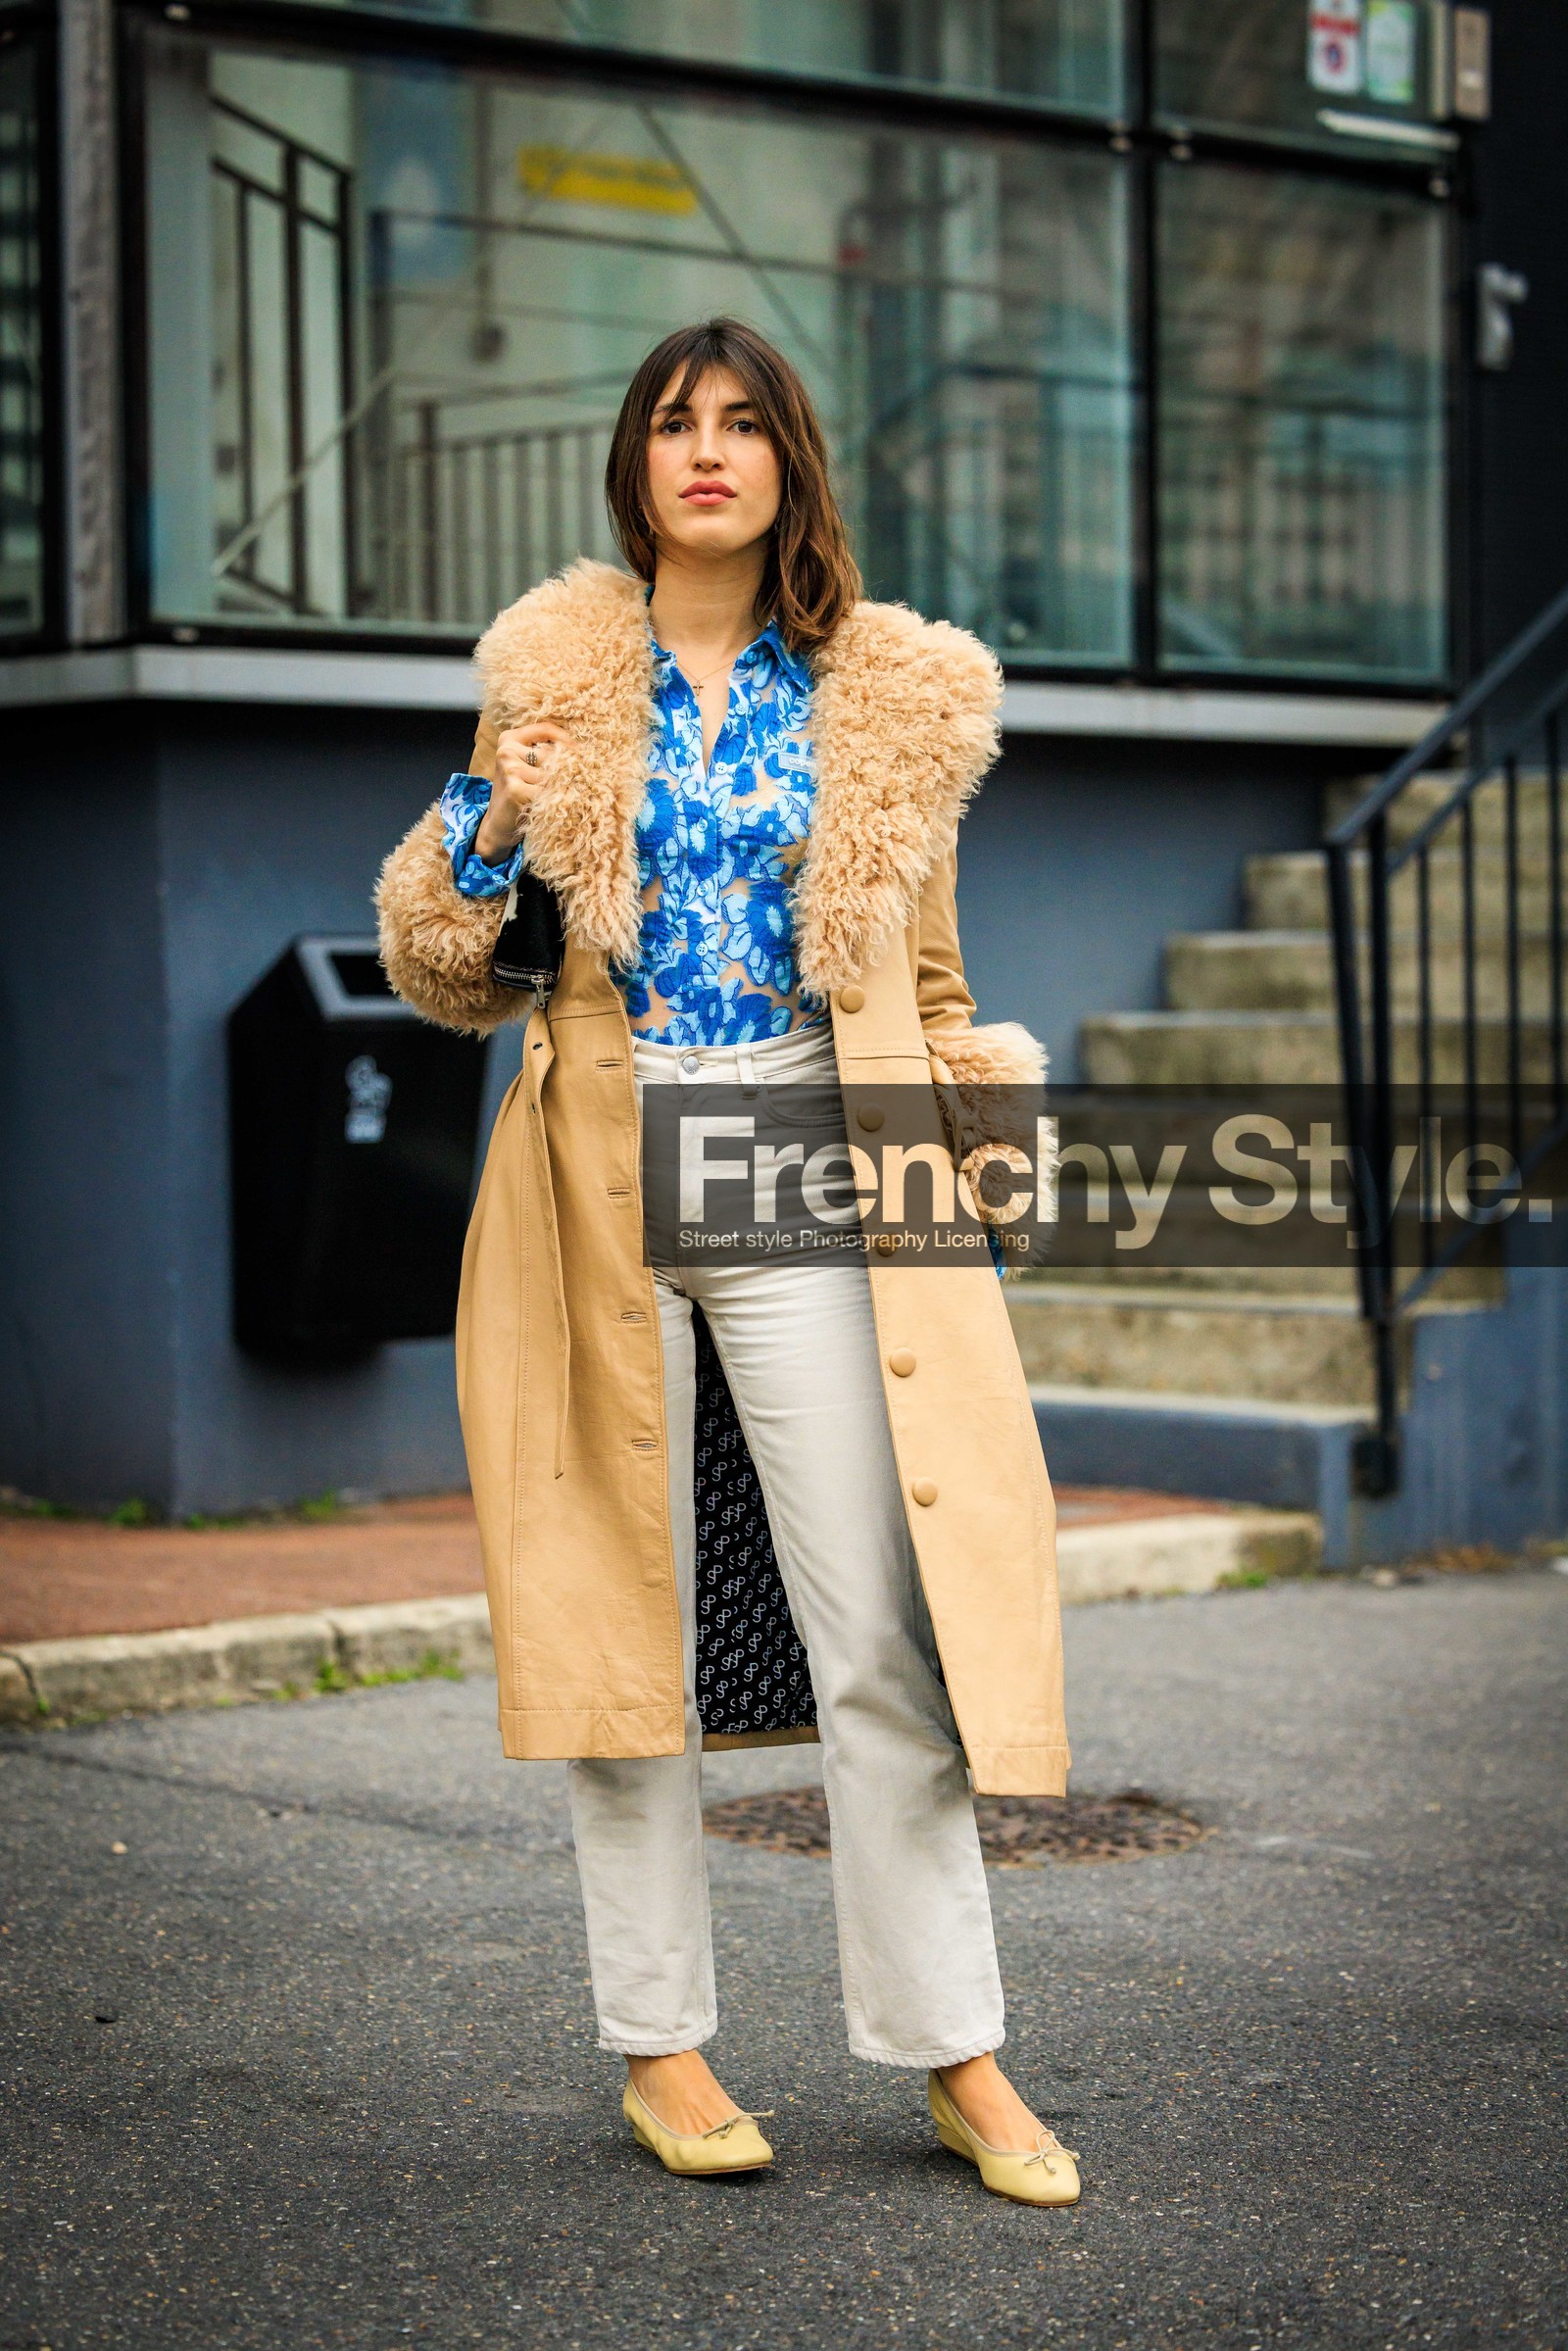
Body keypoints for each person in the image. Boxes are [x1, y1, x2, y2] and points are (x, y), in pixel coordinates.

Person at [377, 318, 1076, 2206]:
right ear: (637, 465)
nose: (708, 452)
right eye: (676, 424)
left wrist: (962, 1198)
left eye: (743, 423)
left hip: (794, 1146)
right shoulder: (547, 667)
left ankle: (957, 2054)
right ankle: (665, 2048)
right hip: (593, 1148)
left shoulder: (890, 693)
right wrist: (492, 809)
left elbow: (927, 988)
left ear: (790, 464)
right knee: (626, 1626)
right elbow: (444, 967)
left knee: (878, 1622)